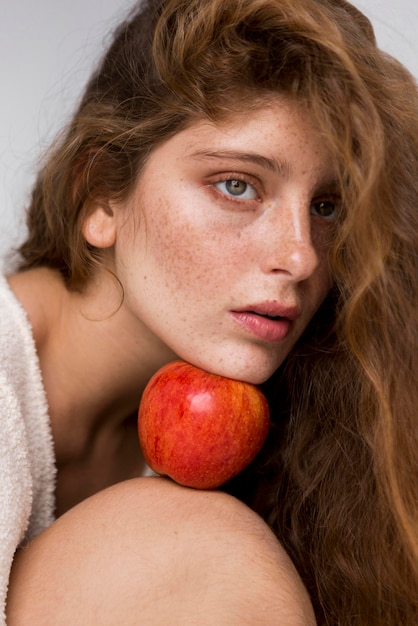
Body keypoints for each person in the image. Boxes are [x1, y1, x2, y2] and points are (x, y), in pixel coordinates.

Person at [1, 0, 417, 623]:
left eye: (328, 207)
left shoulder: (275, 412)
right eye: (237, 185)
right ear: (100, 198)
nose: (302, 257)